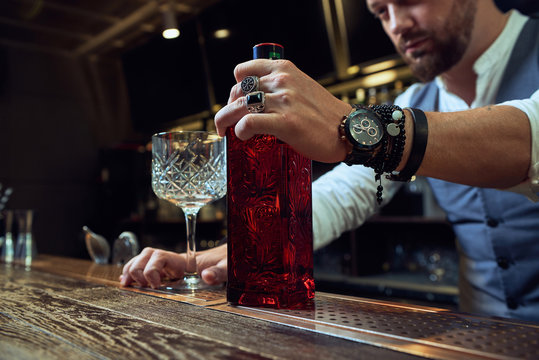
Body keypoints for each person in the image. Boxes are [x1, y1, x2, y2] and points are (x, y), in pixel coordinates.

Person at [121, 0, 539, 321]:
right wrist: (205, 259)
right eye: (379, 11)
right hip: (481, 332)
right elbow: (342, 194)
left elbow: (530, 136)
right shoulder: (415, 102)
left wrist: (355, 126)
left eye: (409, 0)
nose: (397, 24)